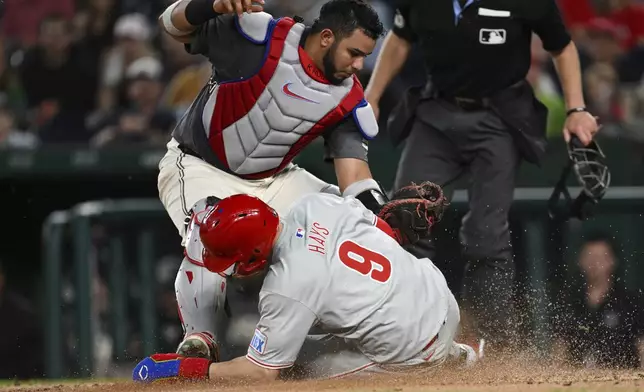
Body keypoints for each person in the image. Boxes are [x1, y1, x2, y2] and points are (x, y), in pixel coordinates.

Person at [157, 0, 435, 363]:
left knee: (351, 223)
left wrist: (381, 216)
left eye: (364, 56)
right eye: (353, 53)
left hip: (274, 177)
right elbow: (172, 25)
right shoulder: (258, 37)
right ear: (326, 37)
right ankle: (199, 341)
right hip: (199, 164)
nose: (359, 65)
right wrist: (209, 5)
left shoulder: (349, 98)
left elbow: (354, 178)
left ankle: (405, 331)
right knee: (208, 224)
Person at [364, 0, 601, 354]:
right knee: (404, 218)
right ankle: (405, 335)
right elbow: (399, 38)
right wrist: (372, 95)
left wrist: (576, 109)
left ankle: (497, 348)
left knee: (486, 235)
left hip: (499, 118)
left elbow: (561, 46)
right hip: (437, 112)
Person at [132, 190, 476, 382]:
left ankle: (439, 360)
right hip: (439, 295)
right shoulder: (314, 203)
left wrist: (184, 370)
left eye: (229, 261)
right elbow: (386, 232)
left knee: (291, 378)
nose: (229, 272)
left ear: (251, 257)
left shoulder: (285, 288)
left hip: (415, 351)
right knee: (314, 330)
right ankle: (457, 354)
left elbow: (257, 376)